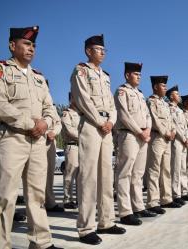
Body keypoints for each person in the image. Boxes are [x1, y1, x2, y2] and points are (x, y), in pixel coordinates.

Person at [0, 26, 62, 249]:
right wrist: (32, 124)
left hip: (37, 142)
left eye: (34, 46)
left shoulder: (38, 78)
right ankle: (0, 245)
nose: (31, 49)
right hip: (12, 138)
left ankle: (41, 243)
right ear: (12, 46)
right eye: (27, 44)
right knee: (5, 196)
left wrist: (46, 123)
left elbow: (50, 107)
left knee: (37, 195)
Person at [70, 34, 125, 245]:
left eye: (104, 50)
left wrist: (110, 120)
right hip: (91, 126)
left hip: (106, 128)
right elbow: (82, 99)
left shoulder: (105, 75)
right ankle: (85, 228)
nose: (102, 52)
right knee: (88, 178)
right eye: (98, 49)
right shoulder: (80, 71)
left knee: (105, 176)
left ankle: (107, 221)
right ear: (88, 51)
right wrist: (100, 121)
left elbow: (111, 104)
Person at [114, 62, 155, 226]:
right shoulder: (121, 91)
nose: (139, 77)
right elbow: (123, 115)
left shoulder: (140, 94)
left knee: (138, 174)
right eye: (136, 74)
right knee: (125, 173)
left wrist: (148, 130)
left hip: (143, 136)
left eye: (140, 75)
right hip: (129, 134)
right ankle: (125, 212)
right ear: (127, 75)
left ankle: (138, 207)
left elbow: (148, 115)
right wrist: (139, 131)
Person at [146, 75, 181, 214]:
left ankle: (166, 198)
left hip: (167, 139)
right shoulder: (151, 101)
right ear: (155, 87)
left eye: (166, 86)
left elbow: (171, 121)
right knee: (154, 170)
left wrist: (172, 131)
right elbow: (154, 119)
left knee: (166, 170)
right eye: (163, 85)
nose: (165, 88)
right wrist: (165, 132)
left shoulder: (165, 104)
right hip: (157, 137)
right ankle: (152, 202)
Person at [167, 85, 188, 205]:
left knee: (182, 168)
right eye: (177, 94)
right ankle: (175, 194)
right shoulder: (170, 108)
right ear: (171, 96)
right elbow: (175, 125)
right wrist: (183, 138)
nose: (179, 96)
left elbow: (185, 127)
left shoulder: (179, 110)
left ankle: (182, 192)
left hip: (184, 141)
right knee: (176, 168)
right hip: (177, 141)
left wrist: (187, 137)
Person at [61, 92, 80, 209]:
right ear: (70, 99)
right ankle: (67, 199)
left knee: (80, 175)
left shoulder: (81, 114)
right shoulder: (66, 114)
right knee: (70, 174)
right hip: (72, 146)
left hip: (82, 146)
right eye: (75, 97)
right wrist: (85, 136)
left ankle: (79, 198)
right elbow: (69, 130)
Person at [45, 104, 64, 212]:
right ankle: (37, 203)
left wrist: (54, 132)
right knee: (35, 174)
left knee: (49, 173)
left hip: (50, 140)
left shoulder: (51, 107)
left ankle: (49, 202)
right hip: (35, 136)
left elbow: (58, 123)